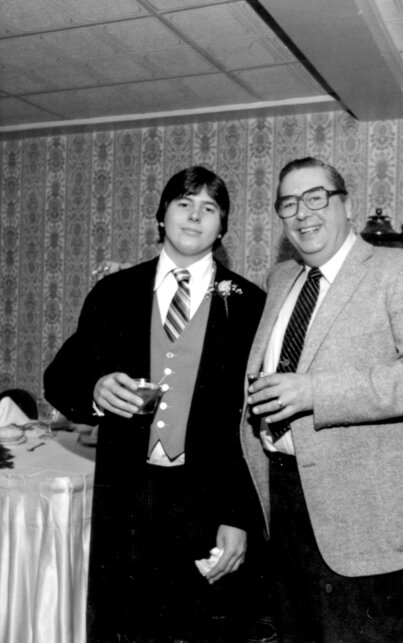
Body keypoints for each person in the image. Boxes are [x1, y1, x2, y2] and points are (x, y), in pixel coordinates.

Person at [241, 157, 403, 643]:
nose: (303, 213)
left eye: (316, 197)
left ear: (345, 203)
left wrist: (315, 392)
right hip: (282, 502)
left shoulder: (397, 270)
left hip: (366, 514)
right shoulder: (282, 279)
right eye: (289, 204)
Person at [44, 166, 268, 642]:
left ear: (223, 227)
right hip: (126, 500)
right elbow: (60, 378)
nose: (195, 215)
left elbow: (253, 426)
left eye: (210, 208)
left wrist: (238, 515)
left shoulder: (250, 304)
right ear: (161, 217)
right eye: (184, 203)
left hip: (207, 503)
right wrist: (95, 388)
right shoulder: (114, 292)